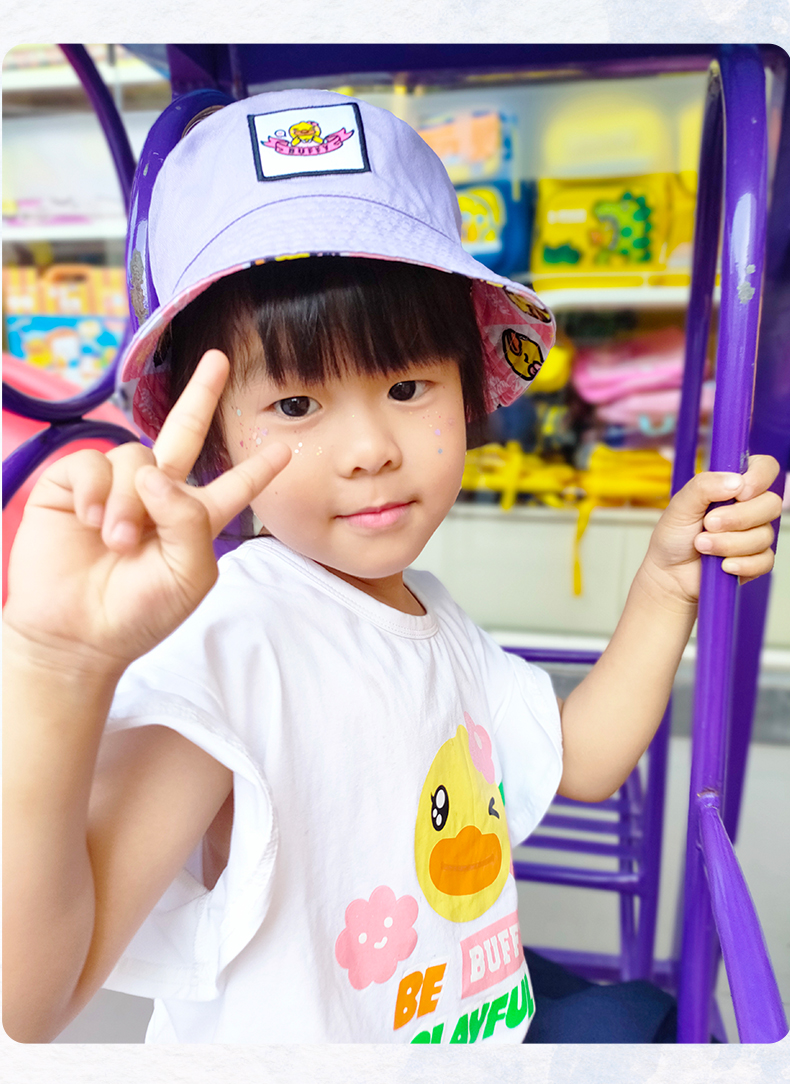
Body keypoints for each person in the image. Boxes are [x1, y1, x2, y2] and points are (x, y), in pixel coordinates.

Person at [2, 89, 781, 1046]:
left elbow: (580, 759)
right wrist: (58, 669)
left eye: (408, 386)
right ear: (215, 438)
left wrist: (665, 581)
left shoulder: (429, 613)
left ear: (468, 387)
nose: (370, 449)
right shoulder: (235, 637)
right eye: (296, 406)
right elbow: (34, 997)